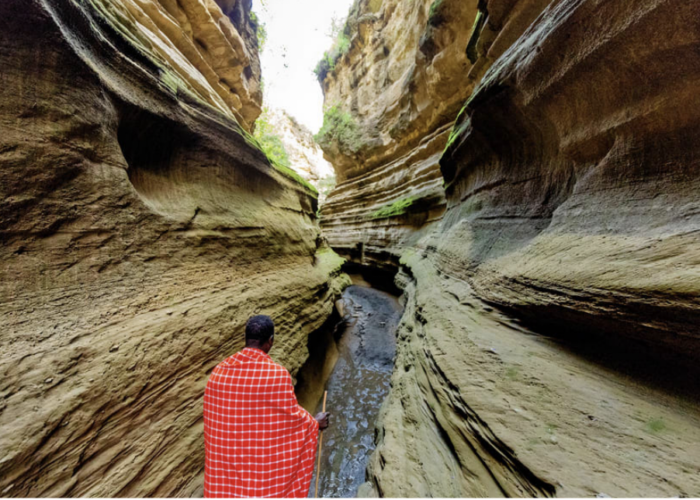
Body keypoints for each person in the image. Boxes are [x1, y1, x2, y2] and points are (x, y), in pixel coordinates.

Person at [204, 315, 330, 498]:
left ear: (246, 339)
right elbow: (292, 419)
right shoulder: (277, 375)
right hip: (258, 481)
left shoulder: (218, 373)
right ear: (270, 341)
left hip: (225, 482)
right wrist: (314, 423)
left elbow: (217, 427)